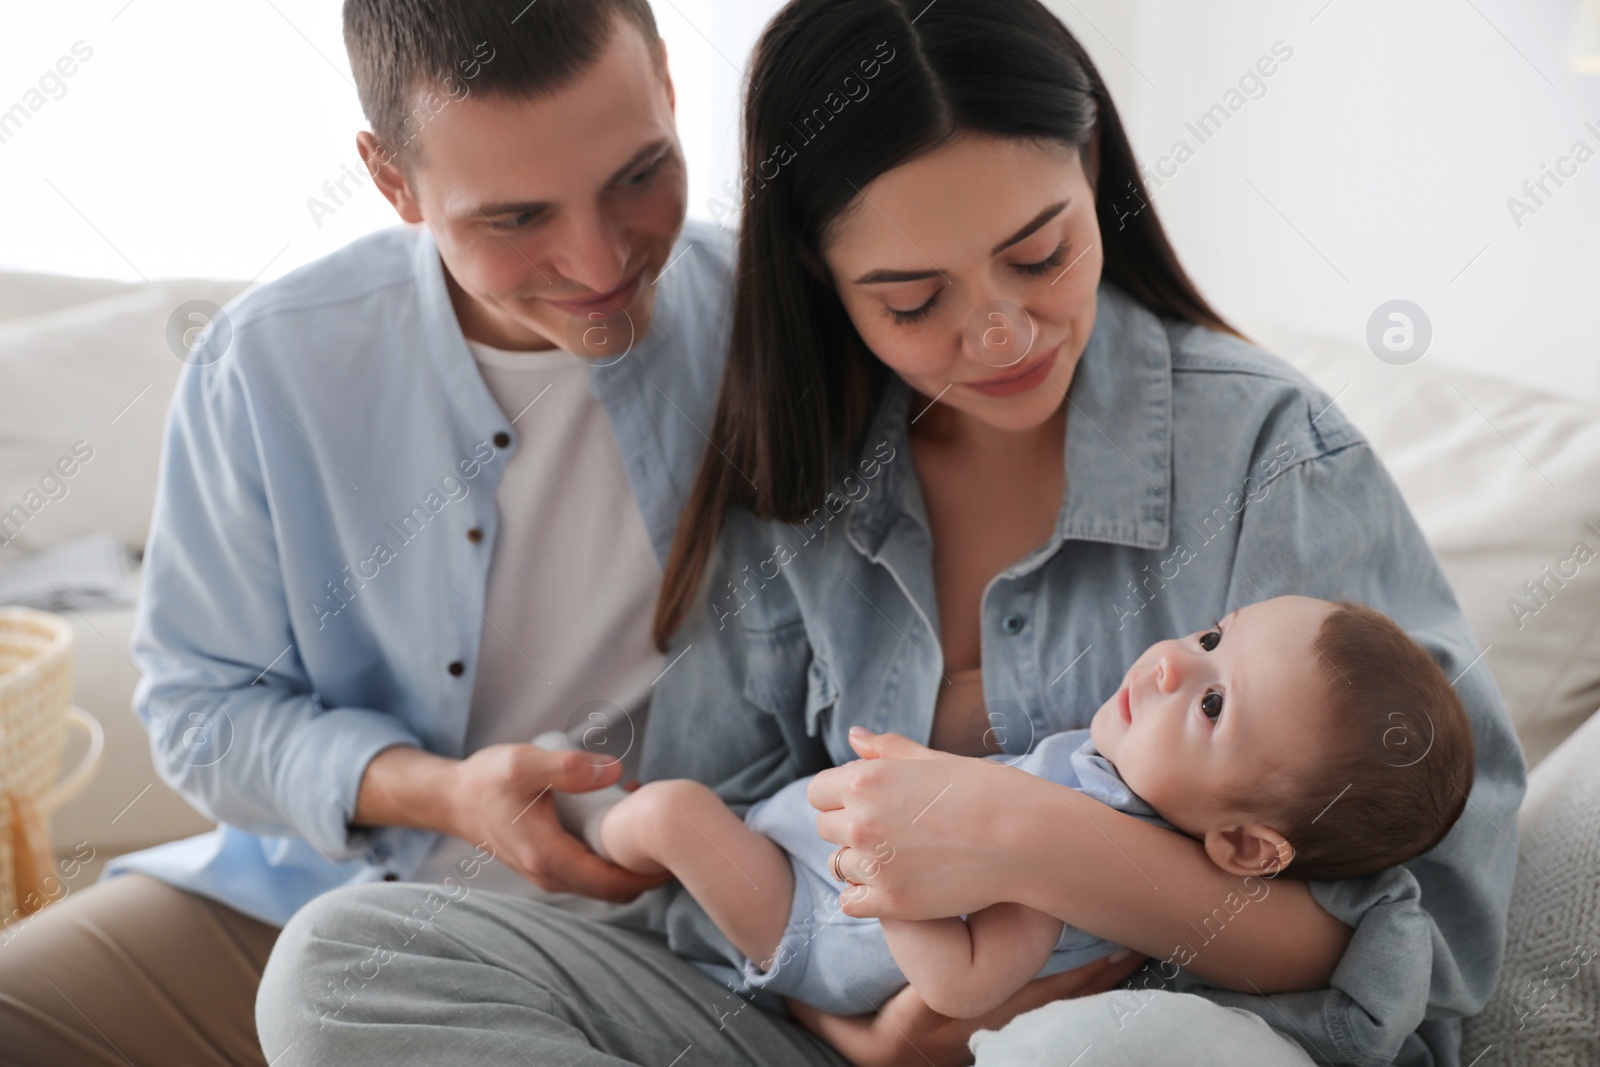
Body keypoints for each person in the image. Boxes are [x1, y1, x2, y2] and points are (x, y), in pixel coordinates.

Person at [258, 1, 1524, 1066]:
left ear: (1095, 181)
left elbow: (1419, 925)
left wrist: (1038, 840)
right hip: (816, 1016)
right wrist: (853, 1026)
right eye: (912, 299)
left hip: (1145, 1036)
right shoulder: (800, 465)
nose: (999, 336)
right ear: (819, 277)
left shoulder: (1267, 456)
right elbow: (718, 850)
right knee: (342, 960)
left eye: (1041, 254)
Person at [0, 2, 747, 1064]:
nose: (595, 259)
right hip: (326, 893)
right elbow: (200, 709)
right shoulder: (269, 366)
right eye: (515, 216)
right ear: (393, 180)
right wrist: (443, 792)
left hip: (680, 936)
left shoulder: (784, 314)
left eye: (637, 174)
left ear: (669, 88)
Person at [577, 597, 1475, 1021]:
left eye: (1211, 703)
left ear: (1242, 842)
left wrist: (885, 868)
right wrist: (932, 787)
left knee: (672, 813)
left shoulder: (1099, 867)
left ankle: (586, 827)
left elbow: (963, 984)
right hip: (825, 863)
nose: (1169, 663)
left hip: (819, 922)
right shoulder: (1105, 778)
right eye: (1209, 638)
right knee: (693, 816)